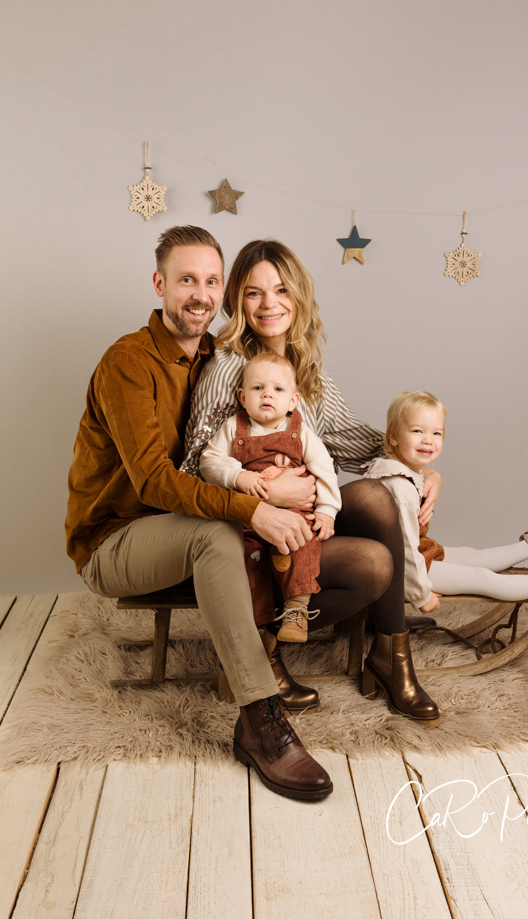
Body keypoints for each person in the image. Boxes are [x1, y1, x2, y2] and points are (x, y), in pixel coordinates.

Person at [65, 224, 333, 802]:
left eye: (212, 282)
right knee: (217, 536)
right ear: (159, 284)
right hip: (116, 540)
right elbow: (155, 481)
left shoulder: (220, 359)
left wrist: (411, 465)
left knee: (291, 525)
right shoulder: (127, 362)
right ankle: (260, 720)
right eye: (187, 280)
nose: (201, 295)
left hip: (194, 525)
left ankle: (290, 648)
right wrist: (255, 507)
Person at [182, 239, 441, 728]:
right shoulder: (230, 368)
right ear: (238, 301)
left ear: (298, 295)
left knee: (379, 494)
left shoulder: (308, 373)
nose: (269, 304)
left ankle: (391, 655)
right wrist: (262, 493)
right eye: (254, 292)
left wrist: (421, 471)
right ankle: (261, 647)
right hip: (248, 532)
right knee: (374, 563)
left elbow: (362, 445)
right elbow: (191, 469)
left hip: (304, 527)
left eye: (281, 290)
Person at [362, 390, 528, 611]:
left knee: (469, 556)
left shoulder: (397, 469)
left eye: (437, 433)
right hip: (400, 569)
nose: (428, 439)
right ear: (393, 437)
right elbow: (405, 549)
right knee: (482, 578)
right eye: (417, 431)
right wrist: (421, 594)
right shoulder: (400, 487)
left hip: (414, 552)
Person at [199, 351, 341, 642]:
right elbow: (208, 462)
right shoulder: (233, 428)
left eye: (278, 389)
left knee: (303, 546)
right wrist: (238, 476)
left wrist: (327, 510)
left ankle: (296, 610)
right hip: (248, 519)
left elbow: (324, 470)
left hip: (294, 516)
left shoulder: (301, 433)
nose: (267, 394)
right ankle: (259, 629)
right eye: (258, 388)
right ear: (242, 397)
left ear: (293, 401)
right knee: (247, 563)